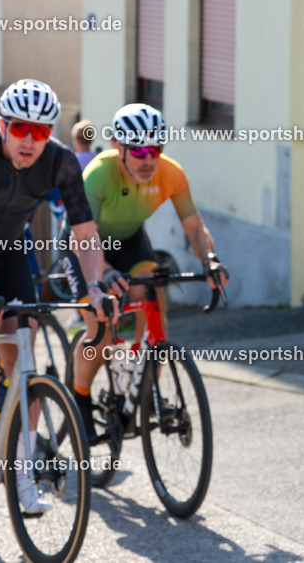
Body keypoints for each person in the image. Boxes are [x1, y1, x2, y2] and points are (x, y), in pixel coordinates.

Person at [0, 78, 115, 514]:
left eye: (41, 131)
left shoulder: (61, 163)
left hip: (10, 252)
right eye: (20, 129)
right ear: (2, 126)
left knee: (23, 357)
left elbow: (85, 234)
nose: (30, 140)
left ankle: (23, 476)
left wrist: (94, 286)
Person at [64, 103, 229, 444]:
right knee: (102, 329)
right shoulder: (98, 174)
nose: (148, 159)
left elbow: (195, 228)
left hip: (129, 241)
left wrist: (209, 261)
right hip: (83, 244)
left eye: (155, 149)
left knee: (152, 295)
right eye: (138, 150)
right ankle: (79, 399)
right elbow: (83, 238)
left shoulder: (171, 173)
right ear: (117, 147)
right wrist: (104, 272)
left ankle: (145, 385)